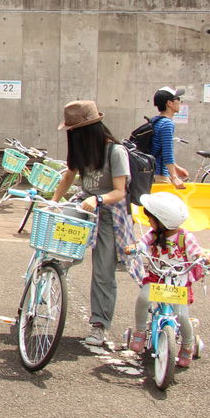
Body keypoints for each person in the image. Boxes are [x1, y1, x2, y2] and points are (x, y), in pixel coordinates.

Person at [50, 100, 132, 347]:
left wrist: (98, 199)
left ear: (88, 130)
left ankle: (99, 324)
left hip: (108, 213)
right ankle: (49, 277)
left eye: (75, 131)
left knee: (103, 272)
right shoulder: (81, 151)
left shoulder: (115, 152)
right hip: (84, 206)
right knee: (61, 249)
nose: (72, 135)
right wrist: (54, 201)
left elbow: (120, 191)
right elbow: (69, 175)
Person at [126, 193, 210, 368]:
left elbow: (197, 252)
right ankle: (140, 332)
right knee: (144, 298)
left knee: (182, 316)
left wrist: (204, 256)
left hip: (178, 283)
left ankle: (188, 344)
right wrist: (135, 248)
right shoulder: (153, 235)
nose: (149, 222)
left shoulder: (184, 237)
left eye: (151, 219)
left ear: (162, 221)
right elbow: (142, 244)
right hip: (157, 278)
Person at [150, 86, 189, 189]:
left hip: (152, 173)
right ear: (169, 103)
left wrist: (176, 168)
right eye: (178, 99)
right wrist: (174, 177)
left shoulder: (156, 120)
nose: (180, 102)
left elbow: (160, 150)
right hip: (160, 176)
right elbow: (167, 152)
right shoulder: (167, 124)